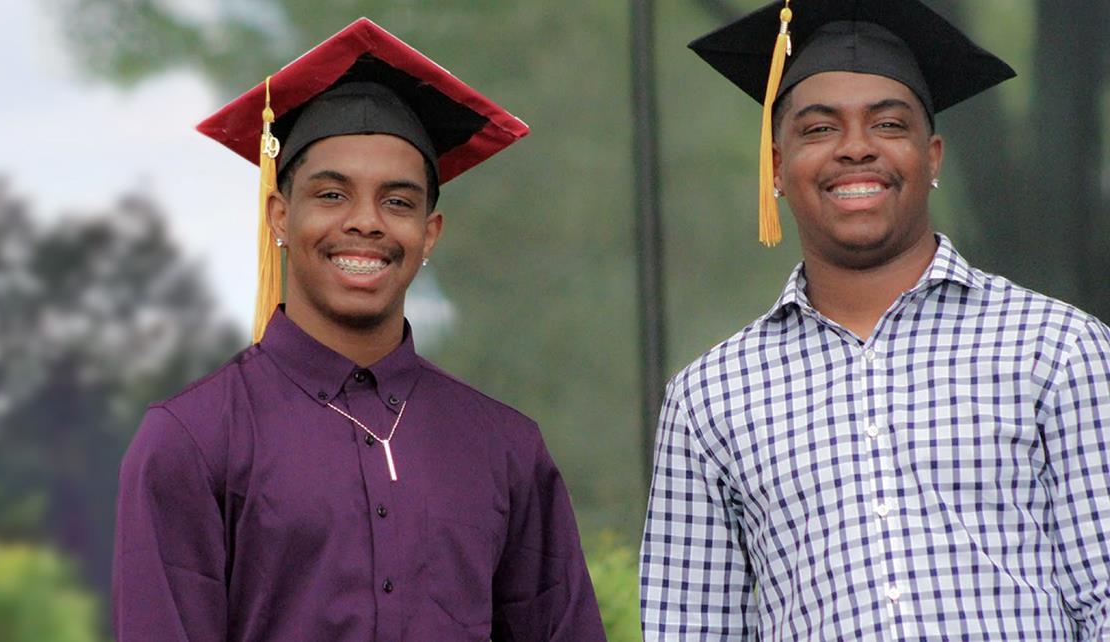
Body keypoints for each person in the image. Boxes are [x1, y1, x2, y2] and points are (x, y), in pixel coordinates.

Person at [112, 17, 606, 642]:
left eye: (398, 202)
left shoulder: (505, 448)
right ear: (280, 216)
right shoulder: (192, 441)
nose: (366, 223)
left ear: (429, 233)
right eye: (332, 195)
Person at [640, 0, 1110, 639]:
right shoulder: (710, 399)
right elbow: (690, 627)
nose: (856, 148)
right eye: (818, 129)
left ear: (933, 156)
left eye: (888, 124)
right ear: (776, 167)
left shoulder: (1059, 350)